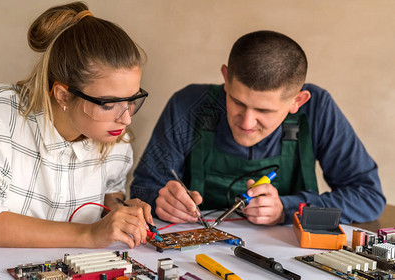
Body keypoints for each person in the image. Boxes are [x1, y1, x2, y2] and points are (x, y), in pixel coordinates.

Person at [0, 2, 154, 249]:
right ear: (62, 95)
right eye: (108, 104)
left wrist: (122, 212)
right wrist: (88, 235)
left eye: (132, 100)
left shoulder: (117, 137)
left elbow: (110, 196)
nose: (126, 118)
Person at [131, 30, 385, 226]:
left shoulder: (317, 110)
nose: (246, 122)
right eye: (237, 102)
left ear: (298, 101)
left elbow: (368, 198)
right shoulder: (189, 104)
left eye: (264, 111)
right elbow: (141, 188)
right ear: (226, 79)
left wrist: (286, 208)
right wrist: (158, 199)